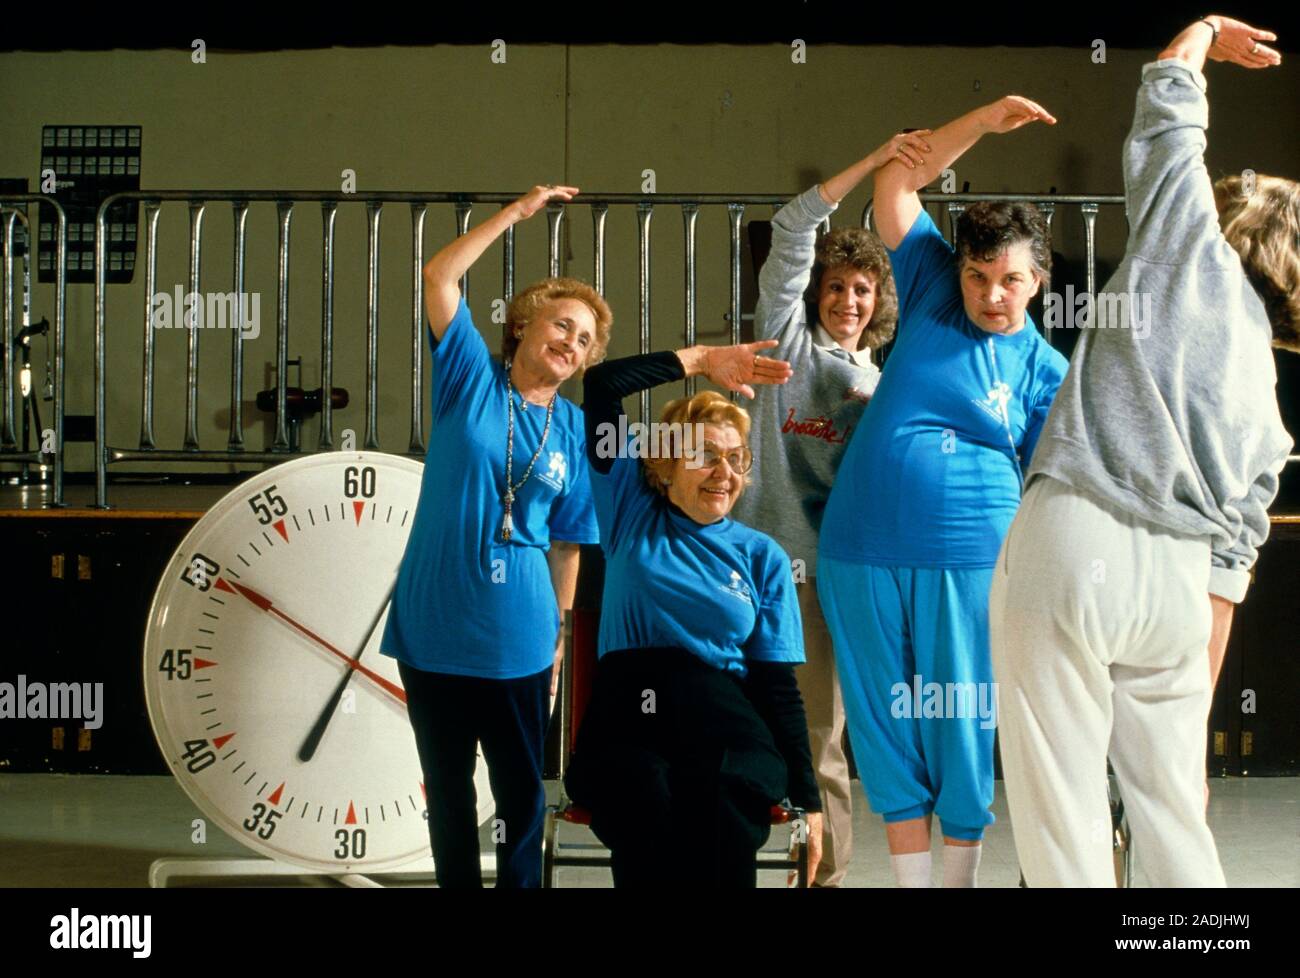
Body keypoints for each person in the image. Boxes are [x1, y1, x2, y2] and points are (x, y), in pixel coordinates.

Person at [990, 15, 1296, 887]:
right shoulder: (1268, 408)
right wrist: (1190, 710)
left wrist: (1202, 31)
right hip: (1176, 589)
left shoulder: (1185, 246)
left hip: (1079, 533)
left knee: (1065, 821)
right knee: (1173, 817)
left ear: (1230, 221)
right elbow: (1232, 562)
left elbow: (1168, 104)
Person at [817, 97, 1068, 887]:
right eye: (979, 275)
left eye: (1011, 281)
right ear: (955, 269)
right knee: (888, 727)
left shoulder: (1047, 372)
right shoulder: (927, 290)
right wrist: (983, 123)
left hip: (970, 560)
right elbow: (897, 184)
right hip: (858, 549)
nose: (993, 294)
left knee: (961, 721)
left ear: (1038, 283)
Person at [380, 184, 612, 888]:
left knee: (519, 796)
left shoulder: (574, 430)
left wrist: (558, 643)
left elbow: (569, 543)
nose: (570, 342)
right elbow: (438, 276)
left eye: (584, 339)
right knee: (447, 792)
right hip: (435, 623)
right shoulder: (468, 380)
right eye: (561, 324)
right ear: (521, 325)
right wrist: (514, 216)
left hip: (520, 635)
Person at [732, 131, 928, 886]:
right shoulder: (785, 343)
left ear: (879, 304)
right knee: (724, 733)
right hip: (741, 563)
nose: (849, 301)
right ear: (817, 292)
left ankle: (825, 877)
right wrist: (878, 159)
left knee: (818, 743)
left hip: (818, 584)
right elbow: (791, 227)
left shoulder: (881, 388)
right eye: (837, 286)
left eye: (864, 291)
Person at [564, 341, 825, 887]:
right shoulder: (630, 512)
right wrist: (703, 361)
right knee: (646, 795)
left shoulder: (763, 557)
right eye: (703, 454)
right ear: (664, 465)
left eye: (735, 458)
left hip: (724, 719)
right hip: (628, 714)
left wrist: (809, 799)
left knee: (723, 794)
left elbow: (778, 687)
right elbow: (603, 386)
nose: (723, 472)